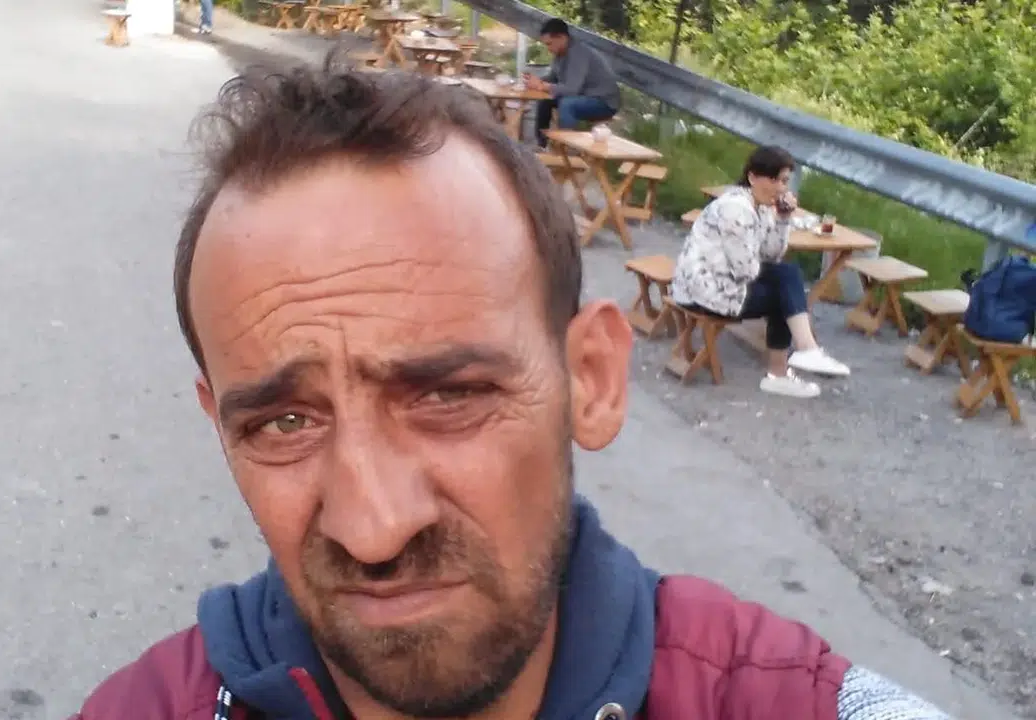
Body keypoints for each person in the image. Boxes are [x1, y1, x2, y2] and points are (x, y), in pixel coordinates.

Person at [71, 60, 951, 720]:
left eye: (447, 396)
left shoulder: (772, 697)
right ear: (220, 429)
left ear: (591, 380)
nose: (373, 527)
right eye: (284, 421)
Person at [671, 145, 851, 399]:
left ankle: (799, 356)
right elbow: (745, 270)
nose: (780, 188)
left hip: (722, 281)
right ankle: (786, 367)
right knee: (785, 290)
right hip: (702, 291)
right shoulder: (736, 209)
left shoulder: (762, 206)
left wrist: (783, 219)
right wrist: (776, 276)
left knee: (786, 278)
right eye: (773, 179)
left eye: (784, 181)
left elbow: (771, 254)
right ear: (753, 177)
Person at [523, 18, 620, 148]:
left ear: (562, 37)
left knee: (567, 104)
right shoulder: (560, 53)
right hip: (583, 95)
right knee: (545, 100)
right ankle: (541, 144)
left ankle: (563, 148)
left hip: (603, 101)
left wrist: (543, 86)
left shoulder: (579, 53)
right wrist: (536, 81)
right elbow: (553, 78)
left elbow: (571, 89)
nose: (548, 49)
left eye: (549, 44)